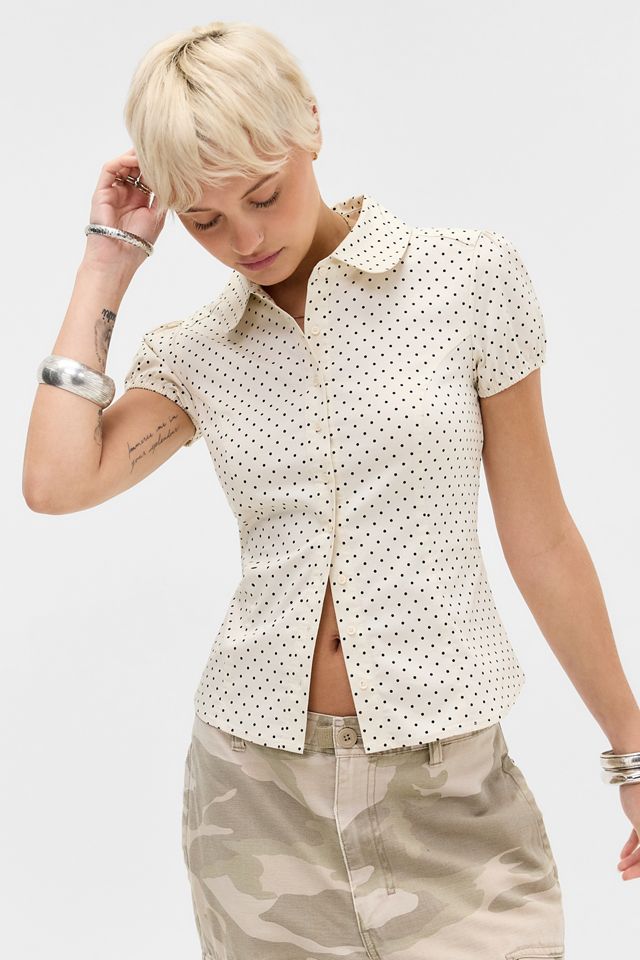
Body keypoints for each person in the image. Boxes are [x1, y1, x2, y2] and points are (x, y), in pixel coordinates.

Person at [23, 18, 640, 960]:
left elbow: (542, 534)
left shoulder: (468, 279)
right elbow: (56, 482)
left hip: (452, 796)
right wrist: (108, 257)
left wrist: (631, 752)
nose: (245, 239)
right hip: (254, 803)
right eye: (204, 221)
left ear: (311, 123)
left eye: (264, 195)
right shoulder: (195, 353)